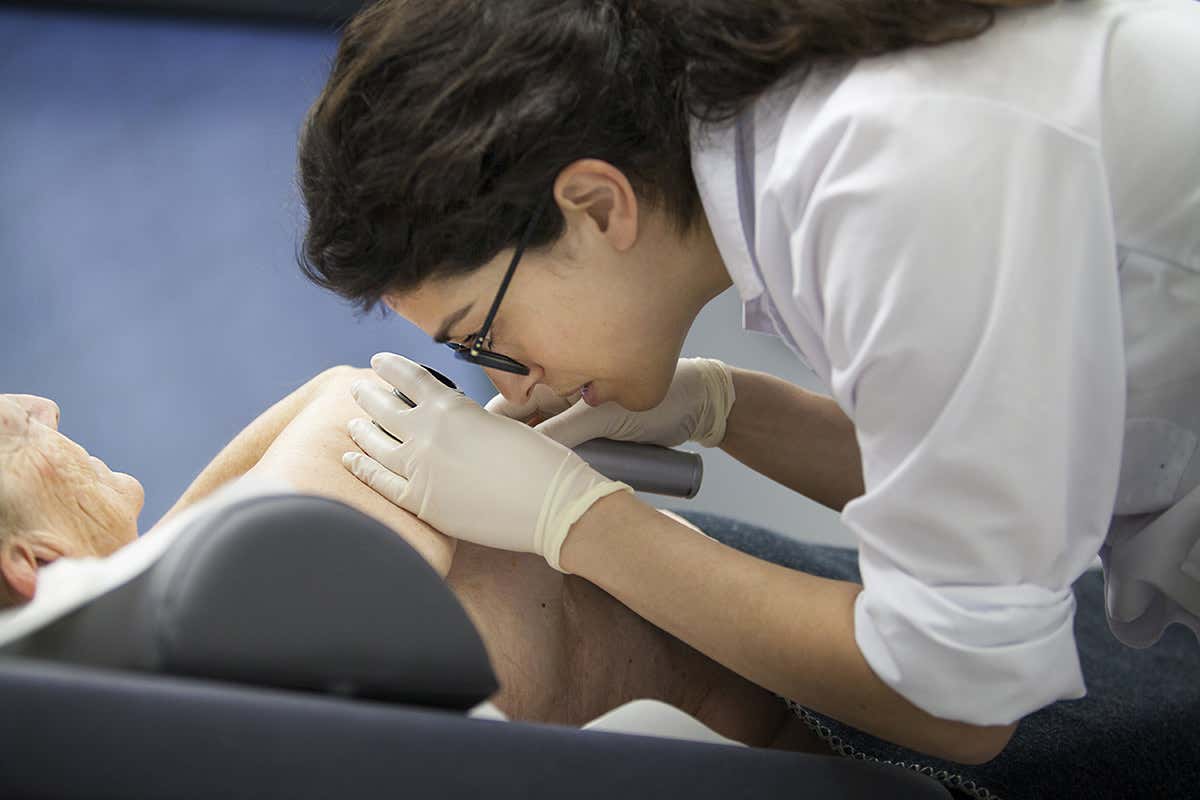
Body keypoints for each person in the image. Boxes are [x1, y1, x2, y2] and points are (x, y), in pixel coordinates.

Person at [293, 0, 1200, 776]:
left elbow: (958, 698)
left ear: (598, 205)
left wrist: (572, 519)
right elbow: (994, 473)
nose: (515, 392)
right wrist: (724, 407)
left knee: (626, 582)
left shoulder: (893, 175)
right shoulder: (794, 127)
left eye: (484, 338)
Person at [0, 383, 826, 751]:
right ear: (23, 563)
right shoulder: (235, 602)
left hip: (778, 638)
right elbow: (363, 405)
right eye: (8, 430)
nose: (42, 404)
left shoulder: (143, 630)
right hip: (829, 715)